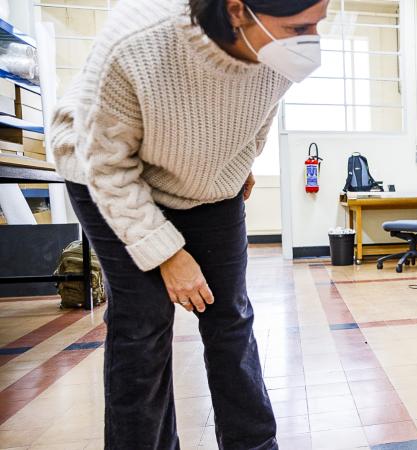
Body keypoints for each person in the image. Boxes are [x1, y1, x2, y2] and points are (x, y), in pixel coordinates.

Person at [49, 0, 328, 448]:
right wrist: (165, 252)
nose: (312, 39)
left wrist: (236, 165)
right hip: (106, 168)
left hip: (205, 181)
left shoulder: (281, 52)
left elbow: (256, 114)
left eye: (319, 22)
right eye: (300, 26)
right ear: (238, 11)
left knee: (229, 317)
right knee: (143, 324)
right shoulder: (136, 40)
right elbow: (106, 163)